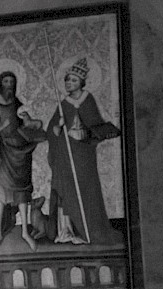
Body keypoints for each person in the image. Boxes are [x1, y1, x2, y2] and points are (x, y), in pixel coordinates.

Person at [46, 57, 120, 246]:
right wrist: (58, 127)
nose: (69, 83)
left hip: (83, 153)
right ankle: (67, 231)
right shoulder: (64, 104)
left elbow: (96, 125)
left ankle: (89, 230)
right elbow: (52, 129)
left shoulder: (88, 100)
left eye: (73, 80)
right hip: (66, 153)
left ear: (81, 83)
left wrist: (87, 133)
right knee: (67, 190)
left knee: (87, 189)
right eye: (67, 80)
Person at [0, 71, 46, 253]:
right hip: (0, 153)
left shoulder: (17, 105)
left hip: (20, 154)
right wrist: (0, 128)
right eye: (5, 81)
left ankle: (24, 231)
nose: (9, 85)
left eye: (12, 82)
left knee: (21, 192)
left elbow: (26, 124)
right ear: (0, 83)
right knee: (0, 192)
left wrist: (28, 122)